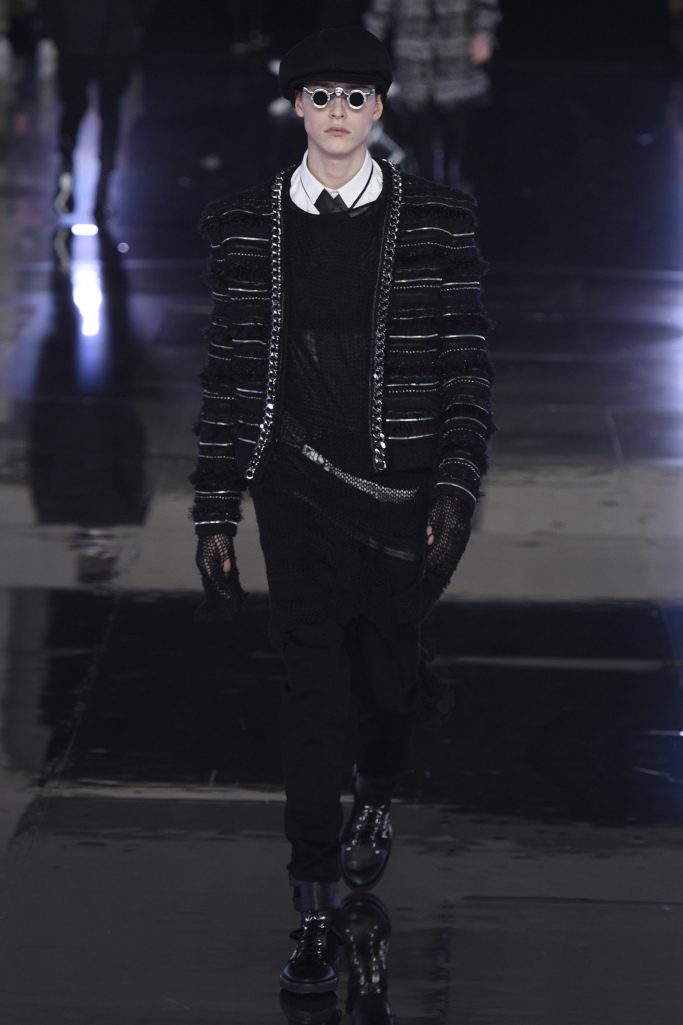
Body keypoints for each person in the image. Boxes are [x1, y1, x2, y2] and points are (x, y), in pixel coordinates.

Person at [190, 26, 494, 995]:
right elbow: (229, 379)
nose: (335, 113)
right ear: (296, 106)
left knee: (387, 690)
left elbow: (466, 369)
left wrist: (455, 486)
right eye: (318, 95)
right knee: (310, 693)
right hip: (293, 490)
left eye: (353, 97)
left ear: (378, 108)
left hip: (401, 493)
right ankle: (312, 903)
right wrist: (213, 511)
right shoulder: (245, 225)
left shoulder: (437, 220)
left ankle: (378, 791)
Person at [364, 0, 501, 185]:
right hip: (414, 57)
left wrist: (483, 33)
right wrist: (369, 47)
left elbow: (486, 6)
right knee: (419, 136)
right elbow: (380, 10)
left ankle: (455, 187)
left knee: (457, 133)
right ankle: (427, 190)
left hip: (457, 55)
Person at [38, 0, 154, 217]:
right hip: (112, 38)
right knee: (107, 112)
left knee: (76, 111)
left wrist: (53, 28)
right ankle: (102, 189)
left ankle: (72, 171)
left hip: (78, 36)